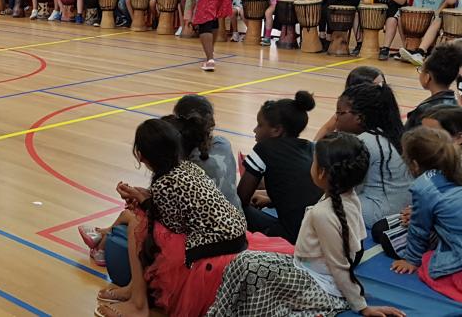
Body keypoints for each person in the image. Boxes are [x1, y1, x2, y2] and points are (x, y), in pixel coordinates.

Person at [208, 132, 406, 317]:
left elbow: (339, 266)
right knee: (244, 262)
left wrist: (361, 306)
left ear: (321, 173)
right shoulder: (347, 196)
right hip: (310, 270)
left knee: (250, 270)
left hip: (320, 286)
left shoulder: (325, 213)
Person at [94, 118, 250, 317]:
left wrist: (142, 202)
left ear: (142, 157)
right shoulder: (186, 167)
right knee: (138, 217)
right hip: (233, 231)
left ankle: (138, 304)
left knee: (137, 224)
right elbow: (177, 205)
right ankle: (133, 289)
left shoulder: (164, 182)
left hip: (216, 243)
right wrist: (144, 197)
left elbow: (171, 225)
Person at [387, 126, 462, 302]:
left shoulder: (424, 186)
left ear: (414, 164)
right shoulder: (455, 170)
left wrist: (411, 260)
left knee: (429, 262)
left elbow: (419, 229)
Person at [238, 91, 323, 243]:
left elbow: (241, 198)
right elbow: (301, 191)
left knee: (234, 209)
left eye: (260, 125)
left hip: (295, 239)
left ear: (276, 130)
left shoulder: (264, 148)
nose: (255, 130)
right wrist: (270, 200)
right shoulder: (310, 147)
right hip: (319, 234)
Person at [335, 83, 412, 227]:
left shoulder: (363, 142)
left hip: (378, 213)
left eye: (340, 113)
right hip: (403, 207)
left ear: (359, 117)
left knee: (324, 207)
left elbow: (347, 186)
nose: (336, 118)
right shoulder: (394, 134)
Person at [404, 43, 462, 129]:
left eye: (421, 69)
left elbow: (406, 137)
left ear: (428, 77)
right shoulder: (457, 106)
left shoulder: (423, 110)